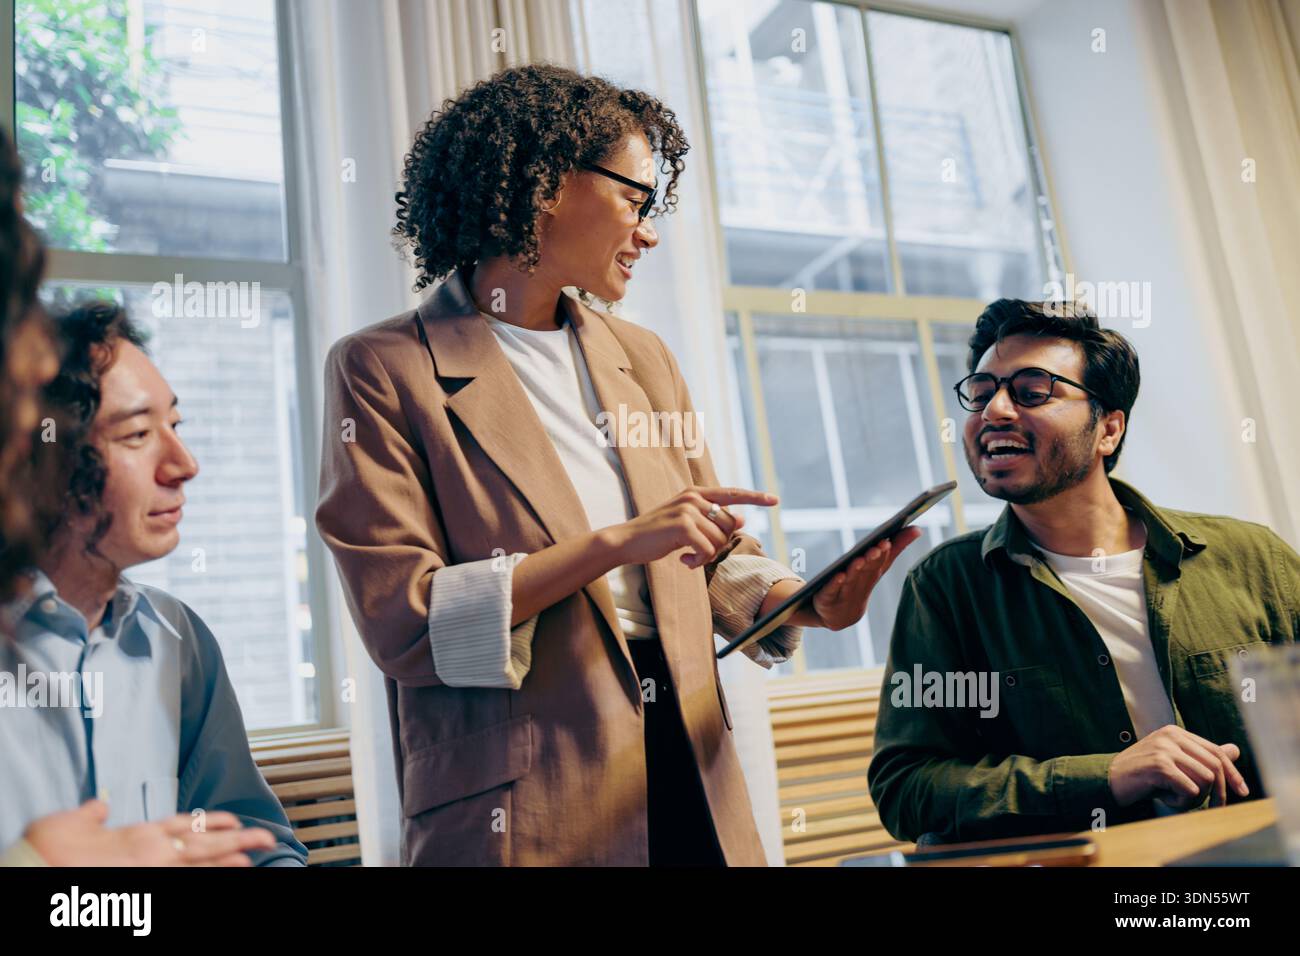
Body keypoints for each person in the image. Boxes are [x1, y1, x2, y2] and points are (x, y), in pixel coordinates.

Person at [316, 64, 919, 866]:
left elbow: (703, 551)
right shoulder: (384, 367)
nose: (650, 231)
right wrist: (613, 544)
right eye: (635, 200)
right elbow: (407, 623)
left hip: (690, 762)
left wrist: (801, 603)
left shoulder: (643, 357)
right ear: (543, 185)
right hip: (527, 796)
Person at [868, 299, 1300, 844]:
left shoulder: (1253, 558)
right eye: (981, 393)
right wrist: (1108, 776)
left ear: (1108, 430)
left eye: (1033, 391)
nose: (994, 411)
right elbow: (908, 791)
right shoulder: (947, 588)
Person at [0, 301, 307, 866]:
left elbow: (258, 843)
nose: (184, 463)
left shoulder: (178, 640)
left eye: (176, 425)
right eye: (138, 434)